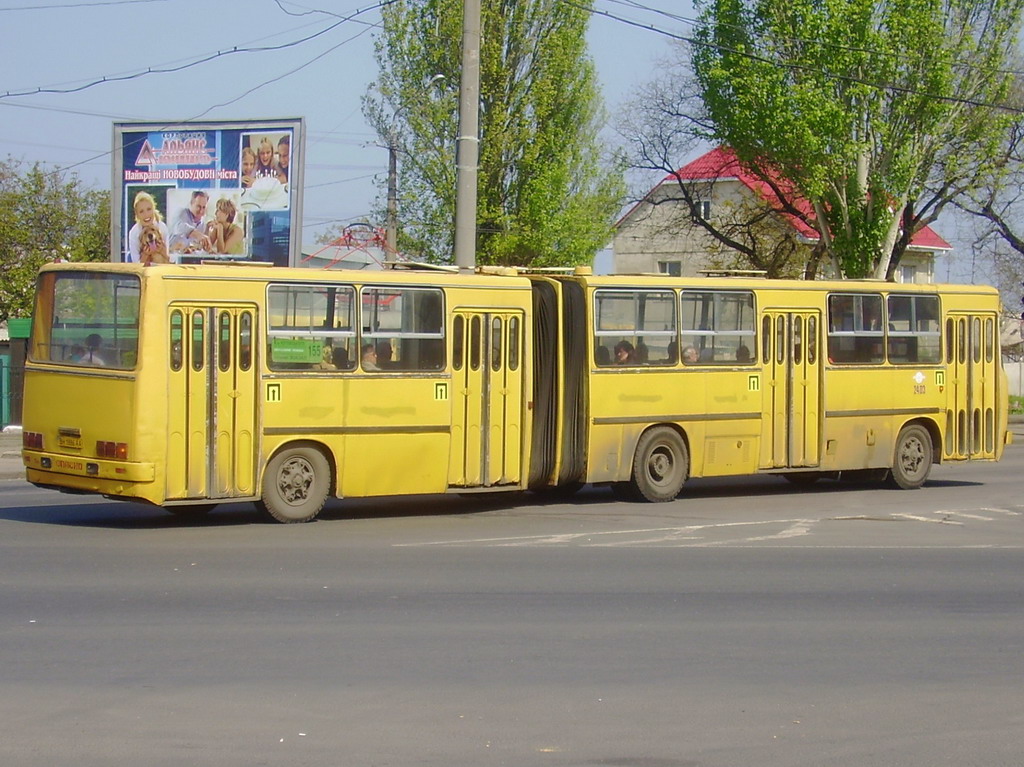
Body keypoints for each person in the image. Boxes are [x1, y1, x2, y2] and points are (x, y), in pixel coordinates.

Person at [127, 191, 170, 263]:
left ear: (154, 209)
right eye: (141, 211)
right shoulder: (134, 233)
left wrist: (163, 251)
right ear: (137, 215)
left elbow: (171, 260)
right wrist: (145, 255)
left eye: (149, 209)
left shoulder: (162, 227)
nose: (146, 214)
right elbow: (136, 264)